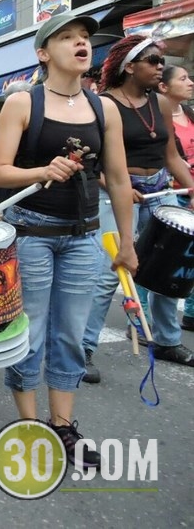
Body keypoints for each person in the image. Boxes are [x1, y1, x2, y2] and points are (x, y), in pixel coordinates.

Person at [0, 12, 137, 468]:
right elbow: (0, 175)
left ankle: (63, 427)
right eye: (68, 38)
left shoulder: (103, 108)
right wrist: (42, 171)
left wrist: (127, 243)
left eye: (85, 39)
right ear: (43, 53)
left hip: (84, 237)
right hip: (32, 234)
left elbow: (116, 178)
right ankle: (29, 426)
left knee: (71, 335)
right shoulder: (21, 104)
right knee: (29, 335)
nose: (81, 44)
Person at [81, 36, 194, 381]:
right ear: (129, 66)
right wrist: (117, 187)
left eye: (161, 61)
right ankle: (83, 349)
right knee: (108, 273)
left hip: (160, 193)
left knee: (165, 270)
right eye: (152, 61)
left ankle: (166, 341)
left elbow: (170, 155)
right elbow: (89, 160)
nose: (160, 66)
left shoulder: (159, 103)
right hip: (115, 194)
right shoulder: (101, 104)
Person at [158, 65, 194, 332]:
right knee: (162, 261)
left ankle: (191, 314)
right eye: (183, 79)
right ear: (164, 87)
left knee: (190, 260)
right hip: (172, 194)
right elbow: (167, 157)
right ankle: (143, 321)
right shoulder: (159, 118)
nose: (190, 83)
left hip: (191, 191)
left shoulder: (190, 114)